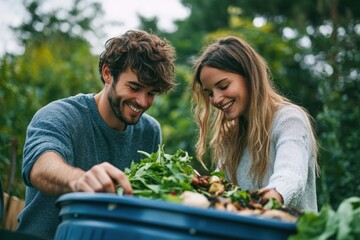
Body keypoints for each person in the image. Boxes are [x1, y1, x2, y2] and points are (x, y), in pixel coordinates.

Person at [16, 30, 176, 239]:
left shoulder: (150, 132)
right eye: (134, 87)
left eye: (151, 93)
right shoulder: (60, 115)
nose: (143, 102)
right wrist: (80, 180)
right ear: (108, 73)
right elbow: (41, 167)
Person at [191, 36, 319, 212]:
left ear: (249, 76)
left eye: (223, 85)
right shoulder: (229, 136)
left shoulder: (289, 120)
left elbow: (291, 175)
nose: (216, 99)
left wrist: (273, 195)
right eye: (210, 93)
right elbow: (224, 194)